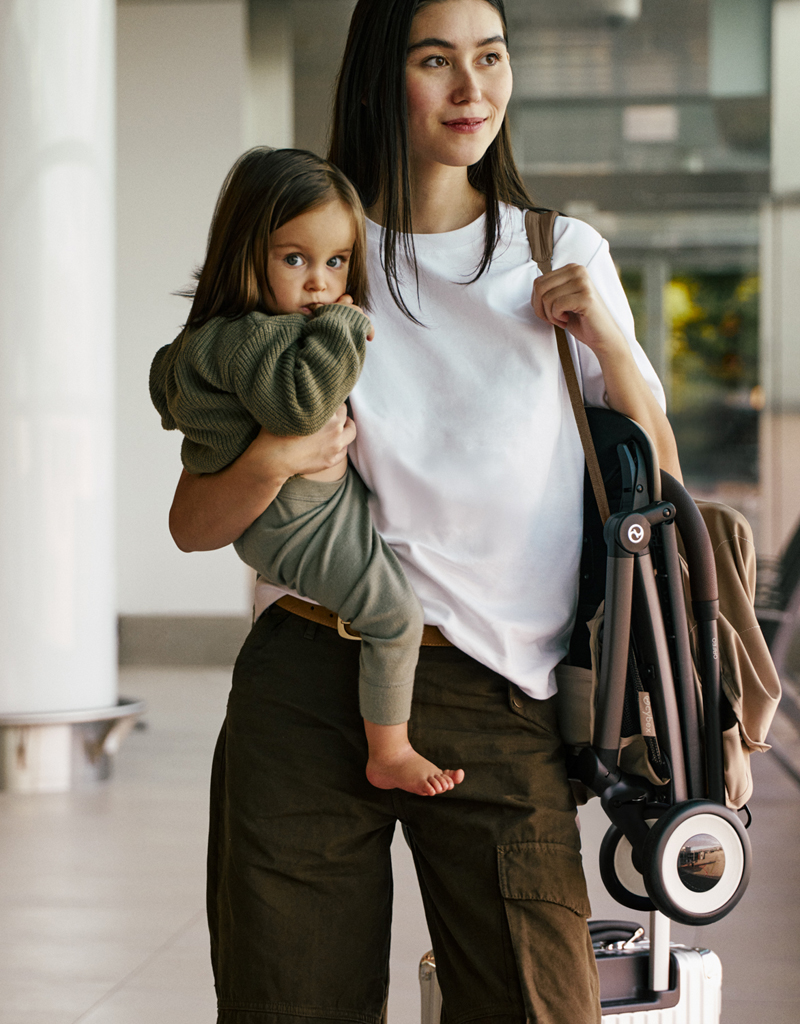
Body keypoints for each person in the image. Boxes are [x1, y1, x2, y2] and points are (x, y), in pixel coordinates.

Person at [171, 1, 683, 1021]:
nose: (471, 88)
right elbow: (193, 519)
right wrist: (275, 453)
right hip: (310, 682)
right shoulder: (311, 251)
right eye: (436, 60)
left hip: (500, 692)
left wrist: (611, 347)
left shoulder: (557, 250)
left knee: (539, 1002)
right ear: (379, 78)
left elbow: (658, 483)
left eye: (489, 58)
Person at [151, 147, 463, 796]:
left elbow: (165, 383)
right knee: (394, 616)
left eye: (337, 262)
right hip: (297, 518)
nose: (320, 282)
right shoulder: (259, 337)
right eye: (295, 259)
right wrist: (345, 327)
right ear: (246, 254)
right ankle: (391, 751)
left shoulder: (216, 336)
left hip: (295, 511)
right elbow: (303, 407)